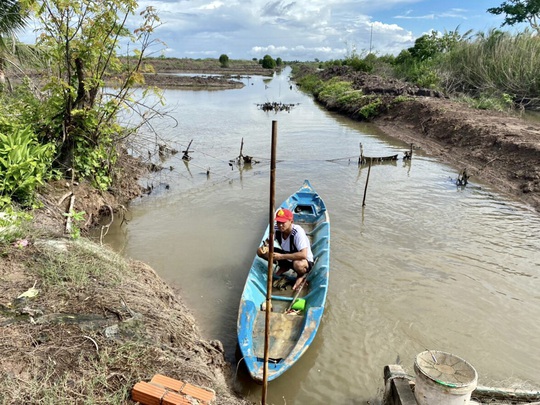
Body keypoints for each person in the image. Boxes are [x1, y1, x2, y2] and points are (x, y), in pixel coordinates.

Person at [257, 208, 314, 291]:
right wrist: (264, 247)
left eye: (283, 222)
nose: (280, 225)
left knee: (298, 264)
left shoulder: (297, 232)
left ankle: (301, 275)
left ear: (291, 222)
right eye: (278, 222)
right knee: (260, 252)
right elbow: (267, 242)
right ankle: (285, 266)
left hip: (303, 261)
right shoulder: (276, 229)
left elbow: (303, 254)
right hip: (286, 256)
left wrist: (281, 256)